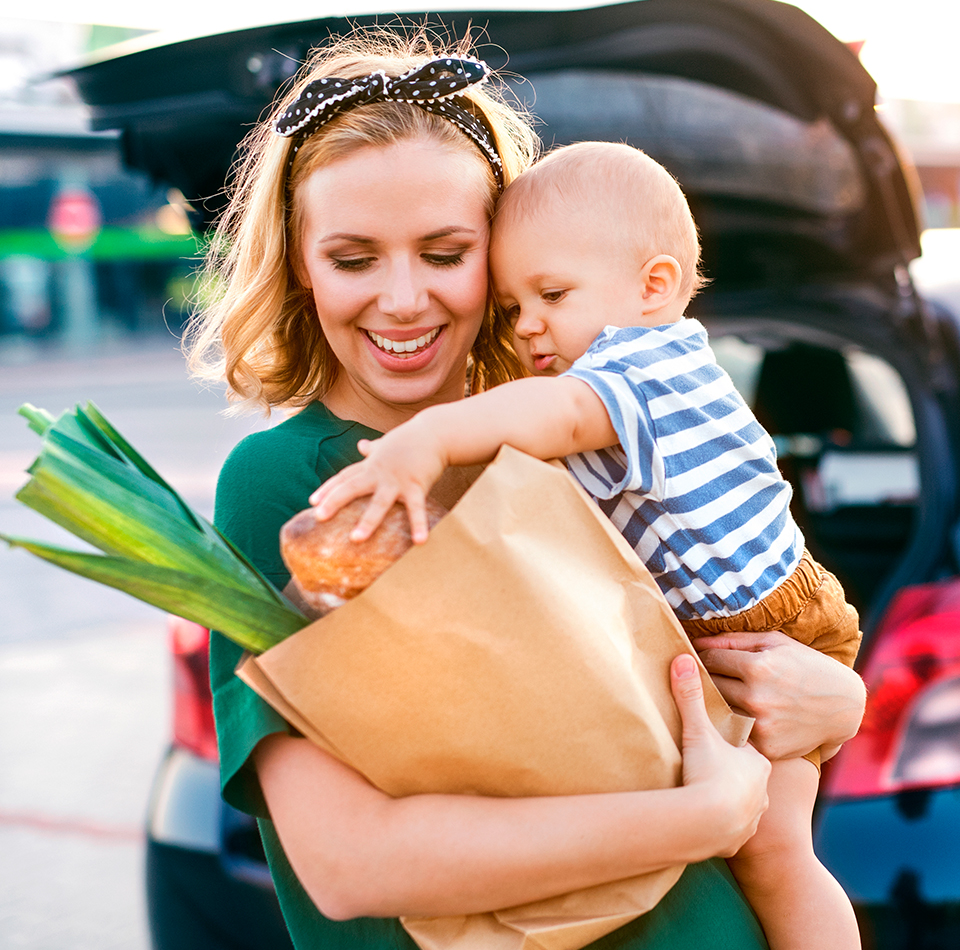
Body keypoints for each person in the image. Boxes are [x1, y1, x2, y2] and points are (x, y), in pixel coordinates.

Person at [186, 28, 866, 950]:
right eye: (353, 259)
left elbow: (710, 640)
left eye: (444, 251)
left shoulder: (558, 441)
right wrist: (705, 819)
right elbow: (351, 867)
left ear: (502, 258)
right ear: (301, 270)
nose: (402, 298)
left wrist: (838, 702)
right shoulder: (293, 484)